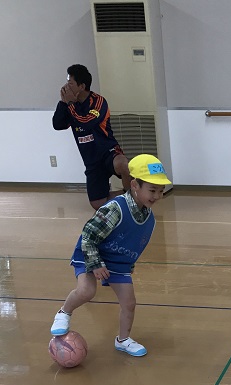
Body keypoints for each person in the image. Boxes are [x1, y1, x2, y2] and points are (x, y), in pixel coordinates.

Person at [50, 154, 171, 357]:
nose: (157, 196)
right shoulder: (115, 209)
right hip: (91, 252)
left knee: (129, 303)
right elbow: (88, 236)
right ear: (135, 185)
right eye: (152, 190)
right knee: (87, 291)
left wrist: (129, 264)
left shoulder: (149, 218)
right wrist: (96, 263)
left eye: (160, 191)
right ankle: (64, 312)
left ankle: (123, 340)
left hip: (116, 261)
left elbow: (134, 243)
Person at [52, 64, 131, 209]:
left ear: (82, 86)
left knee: (122, 164)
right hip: (91, 160)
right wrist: (63, 103)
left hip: (108, 151)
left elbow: (87, 122)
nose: (66, 87)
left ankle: (134, 200)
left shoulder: (98, 101)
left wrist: (70, 104)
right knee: (97, 204)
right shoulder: (70, 106)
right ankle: (128, 195)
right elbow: (58, 124)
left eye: (70, 84)